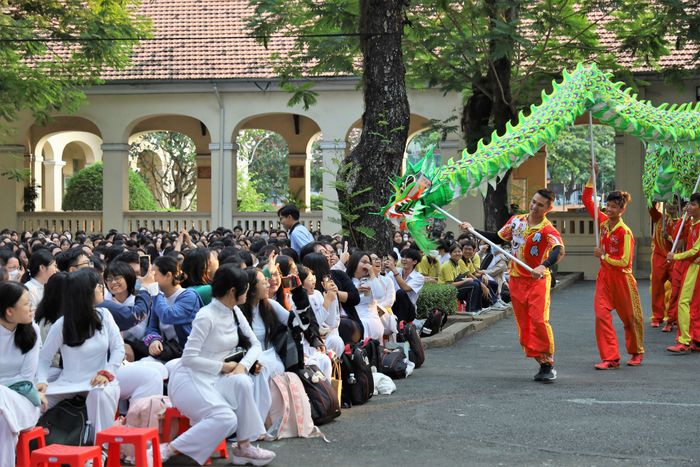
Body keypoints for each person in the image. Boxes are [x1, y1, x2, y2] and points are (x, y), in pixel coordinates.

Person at [164, 265, 276, 466]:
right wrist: (224, 367)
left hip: (216, 378)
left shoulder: (234, 312)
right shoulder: (206, 316)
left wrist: (243, 365)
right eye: (245, 288)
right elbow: (188, 358)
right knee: (226, 419)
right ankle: (169, 450)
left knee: (243, 381)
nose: (247, 292)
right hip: (190, 379)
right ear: (233, 291)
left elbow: (255, 344)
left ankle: (244, 447)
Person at [460, 188, 564, 383]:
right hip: (516, 279)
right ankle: (539, 359)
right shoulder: (516, 221)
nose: (534, 207)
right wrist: (472, 230)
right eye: (533, 202)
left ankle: (547, 363)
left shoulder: (548, 230)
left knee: (539, 320)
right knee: (524, 325)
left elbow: (557, 250)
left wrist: (543, 266)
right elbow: (498, 238)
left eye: (540, 205)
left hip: (537, 281)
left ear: (549, 208)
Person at [37, 268, 123, 442]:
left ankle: (101, 448)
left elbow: (118, 349)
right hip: (68, 384)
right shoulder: (62, 324)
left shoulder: (104, 316)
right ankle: (24, 449)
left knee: (99, 395)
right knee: (33, 404)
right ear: (86, 293)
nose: (101, 288)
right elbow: (44, 359)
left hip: (100, 382)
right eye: (98, 285)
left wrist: (107, 372)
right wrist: (41, 382)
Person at [583, 165, 644, 369]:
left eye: (613, 207)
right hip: (605, 278)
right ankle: (610, 357)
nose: (609, 210)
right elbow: (586, 200)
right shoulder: (602, 223)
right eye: (607, 206)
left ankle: (636, 352)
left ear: (622, 210)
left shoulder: (624, 232)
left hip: (622, 279)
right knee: (601, 316)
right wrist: (593, 176)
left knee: (630, 318)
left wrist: (604, 255)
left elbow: (625, 261)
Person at [0, 282, 43, 467]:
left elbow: (26, 379)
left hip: (24, 401)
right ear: (10, 311)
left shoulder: (32, 332)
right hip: (4, 408)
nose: (31, 307)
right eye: (26, 304)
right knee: (3, 422)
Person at [142, 256, 203, 364]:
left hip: (188, 354)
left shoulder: (189, 296)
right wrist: (154, 340)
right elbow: (151, 327)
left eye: (154, 274)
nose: (151, 278)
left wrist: (154, 291)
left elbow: (168, 316)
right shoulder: (158, 297)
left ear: (168, 275)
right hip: (167, 351)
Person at [665, 193, 700, 353]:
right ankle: (696, 339)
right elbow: (676, 236)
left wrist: (676, 256)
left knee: (684, 302)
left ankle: (684, 340)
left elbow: (696, 251)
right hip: (692, 266)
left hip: (695, 268)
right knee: (693, 304)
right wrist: (684, 218)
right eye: (689, 204)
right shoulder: (693, 224)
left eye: (693, 204)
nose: (689, 207)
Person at [648, 200, 680, 327]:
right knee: (657, 288)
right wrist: (656, 194)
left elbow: (681, 242)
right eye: (669, 202)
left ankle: (673, 317)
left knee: (677, 288)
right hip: (659, 257)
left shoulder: (682, 222)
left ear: (678, 205)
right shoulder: (659, 218)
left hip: (675, 258)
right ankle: (657, 317)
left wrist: (668, 237)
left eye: (674, 202)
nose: (671, 205)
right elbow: (651, 207)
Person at [347, 251, 386, 341]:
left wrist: (372, 273)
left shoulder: (371, 280)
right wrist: (356, 292)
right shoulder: (347, 281)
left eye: (369, 263)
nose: (367, 265)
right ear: (354, 263)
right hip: (354, 319)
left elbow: (380, 295)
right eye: (364, 262)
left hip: (371, 319)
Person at [384, 248, 425, 323]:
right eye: (402, 257)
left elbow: (405, 288)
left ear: (415, 262)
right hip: (394, 307)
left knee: (401, 293)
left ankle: (401, 325)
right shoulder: (393, 272)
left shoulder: (419, 277)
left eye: (407, 257)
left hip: (409, 312)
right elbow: (384, 285)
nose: (403, 259)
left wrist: (394, 271)